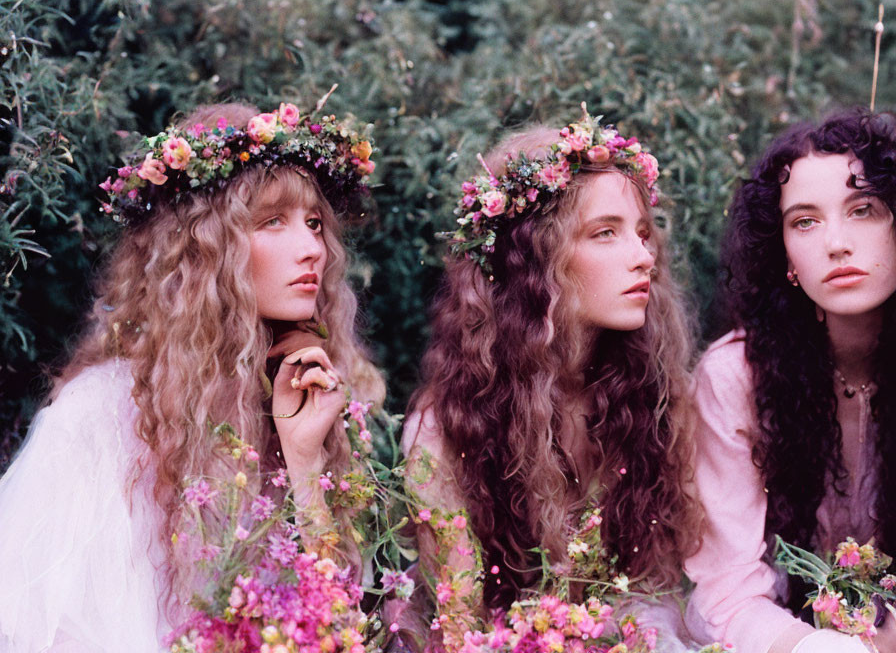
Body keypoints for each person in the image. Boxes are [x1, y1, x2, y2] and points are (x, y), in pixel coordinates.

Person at [0, 100, 385, 652]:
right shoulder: (103, 416)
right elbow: (39, 626)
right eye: (272, 222)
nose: (311, 250)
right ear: (205, 251)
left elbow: (338, 628)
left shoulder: (303, 401)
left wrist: (305, 464)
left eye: (316, 224)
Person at [402, 105, 702, 651]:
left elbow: (651, 590)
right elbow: (460, 623)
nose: (643, 258)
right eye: (605, 233)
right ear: (534, 262)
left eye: (641, 233)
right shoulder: (445, 427)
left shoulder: (645, 395)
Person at [685, 108, 896, 653]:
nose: (836, 244)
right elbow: (725, 588)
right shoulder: (736, 377)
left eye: (864, 209)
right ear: (784, 257)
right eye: (805, 221)